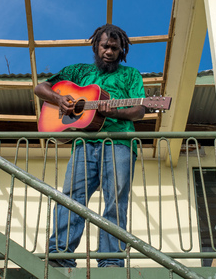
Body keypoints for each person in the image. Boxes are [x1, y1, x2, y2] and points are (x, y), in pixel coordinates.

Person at [34, 23, 145, 268]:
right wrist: (59, 99)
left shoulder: (130, 75)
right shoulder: (77, 71)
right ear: (96, 46)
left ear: (121, 50)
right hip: (83, 144)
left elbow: (139, 110)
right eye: (105, 46)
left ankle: (111, 260)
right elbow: (40, 88)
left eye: (115, 48)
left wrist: (115, 109)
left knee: (116, 200)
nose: (109, 51)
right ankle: (60, 256)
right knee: (72, 198)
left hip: (119, 143)